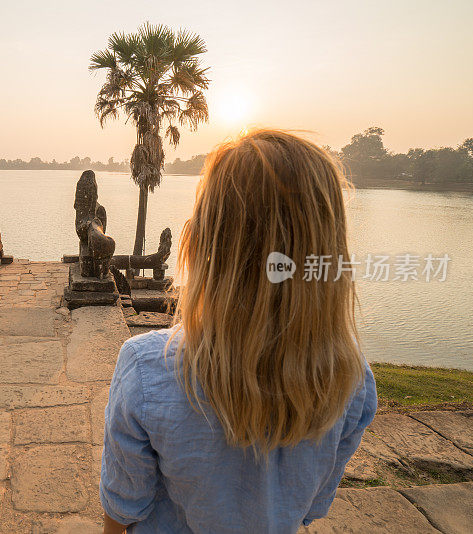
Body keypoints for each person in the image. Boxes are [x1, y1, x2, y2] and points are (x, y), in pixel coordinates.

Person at [100, 130, 378, 533]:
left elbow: (123, 511)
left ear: (197, 245)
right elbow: (311, 507)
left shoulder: (147, 370)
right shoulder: (352, 383)